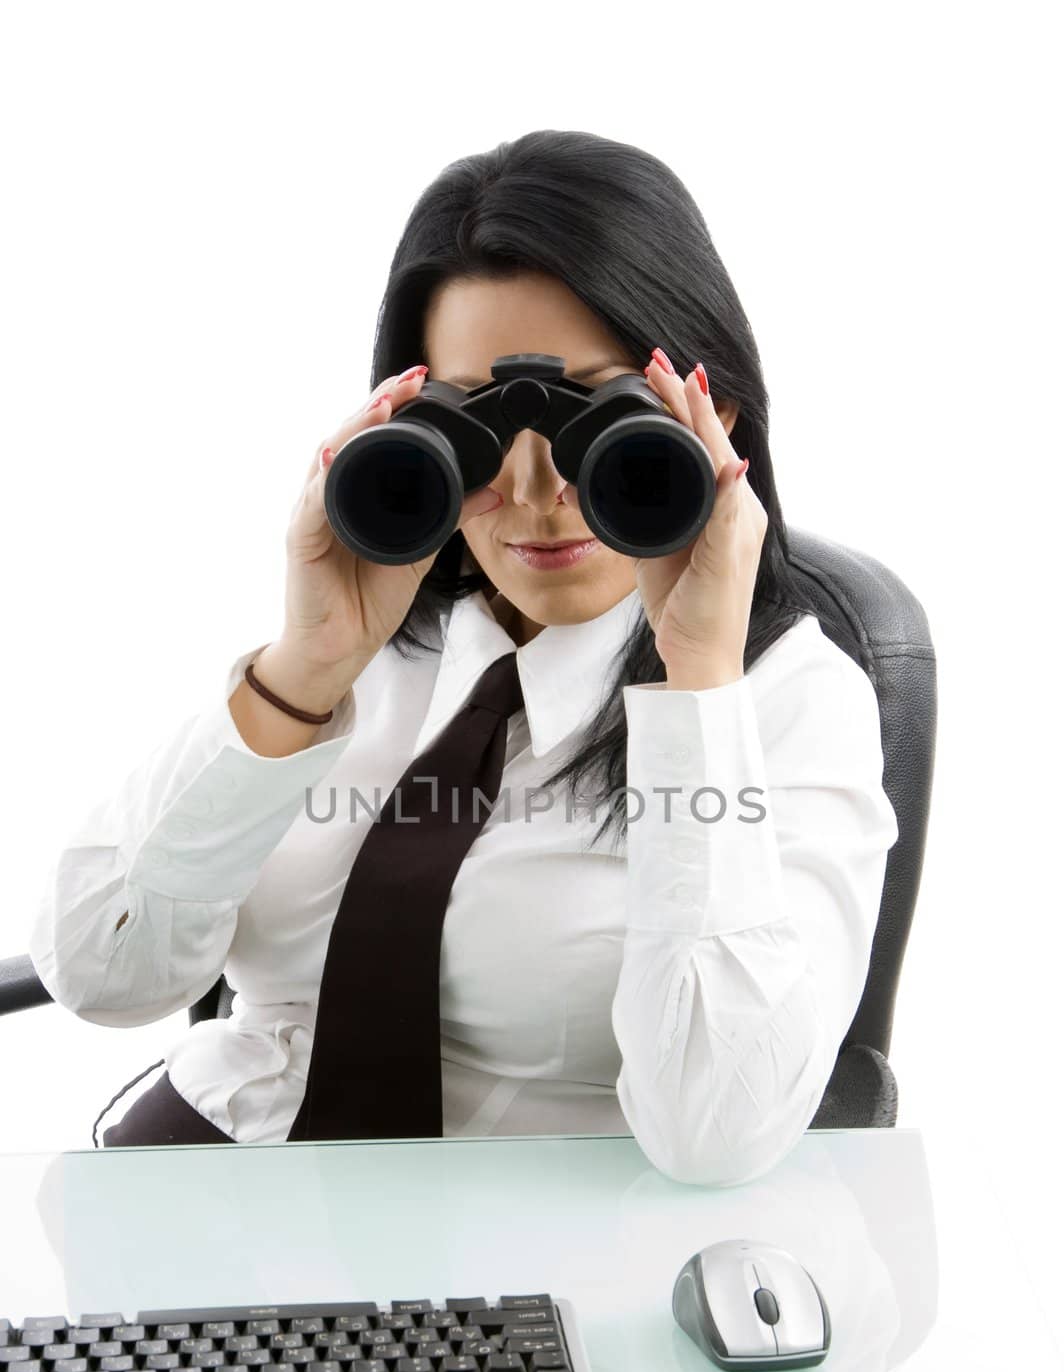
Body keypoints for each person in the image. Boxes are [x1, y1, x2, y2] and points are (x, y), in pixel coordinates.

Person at [27, 129, 898, 1185]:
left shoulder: (787, 705)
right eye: (475, 423)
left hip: (524, 1270)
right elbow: (99, 975)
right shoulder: (369, 646)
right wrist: (306, 666)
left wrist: (695, 682)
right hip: (209, 1189)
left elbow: (717, 1132)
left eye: (599, 416)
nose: (535, 493)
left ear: (710, 411)